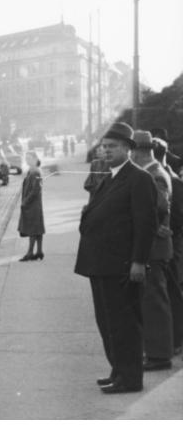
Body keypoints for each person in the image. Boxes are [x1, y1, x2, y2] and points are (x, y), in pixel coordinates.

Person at [74, 122, 157, 394]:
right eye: (104, 146)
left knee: (124, 324)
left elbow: (146, 224)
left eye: (112, 147)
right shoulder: (109, 176)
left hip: (121, 264)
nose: (106, 151)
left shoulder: (139, 179)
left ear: (128, 149)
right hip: (101, 263)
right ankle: (118, 370)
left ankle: (130, 378)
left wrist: (138, 261)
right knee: (106, 322)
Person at [132, 131, 176, 371]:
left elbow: (158, 207)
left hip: (154, 248)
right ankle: (155, 352)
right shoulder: (152, 172)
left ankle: (159, 356)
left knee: (154, 303)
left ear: (138, 151)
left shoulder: (154, 175)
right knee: (151, 301)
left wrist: (152, 227)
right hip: (154, 246)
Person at [153, 137, 183, 355]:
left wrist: (163, 227)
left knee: (170, 292)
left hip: (170, 242)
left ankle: (175, 340)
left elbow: (176, 214)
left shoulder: (165, 178)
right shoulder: (171, 176)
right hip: (171, 240)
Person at [18, 151, 45, 261]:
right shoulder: (33, 171)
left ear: (35, 159)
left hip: (32, 204)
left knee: (32, 229)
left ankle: (30, 253)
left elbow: (35, 190)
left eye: (29, 158)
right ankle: (39, 251)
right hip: (34, 203)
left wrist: (25, 202)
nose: (27, 160)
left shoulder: (35, 172)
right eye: (26, 158)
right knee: (37, 227)